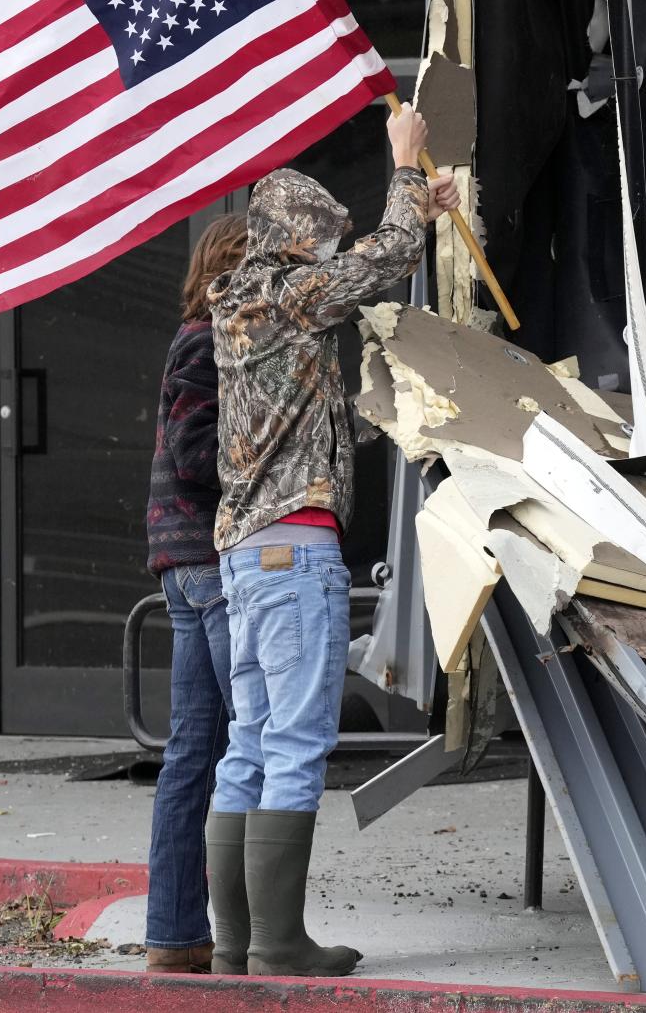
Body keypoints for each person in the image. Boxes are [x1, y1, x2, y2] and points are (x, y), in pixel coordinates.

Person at [203, 103, 458, 978]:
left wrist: (417, 203)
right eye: (321, 240)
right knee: (297, 745)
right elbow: (381, 261)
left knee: (250, 742)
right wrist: (407, 165)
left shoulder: (243, 303)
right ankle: (278, 943)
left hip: (243, 553)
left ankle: (238, 943)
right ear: (296, 240)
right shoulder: (289, 294)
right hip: (292, 549)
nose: (327, 253)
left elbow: (375, 251)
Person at [142, 212, 248, 974]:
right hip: (208, 563)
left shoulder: (198, 339)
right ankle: (254, 934)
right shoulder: (208, 340)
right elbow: (194, 452)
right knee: (248, 746)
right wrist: (269, 460)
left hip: (185, 567)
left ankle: (177, 936)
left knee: (194, 755)